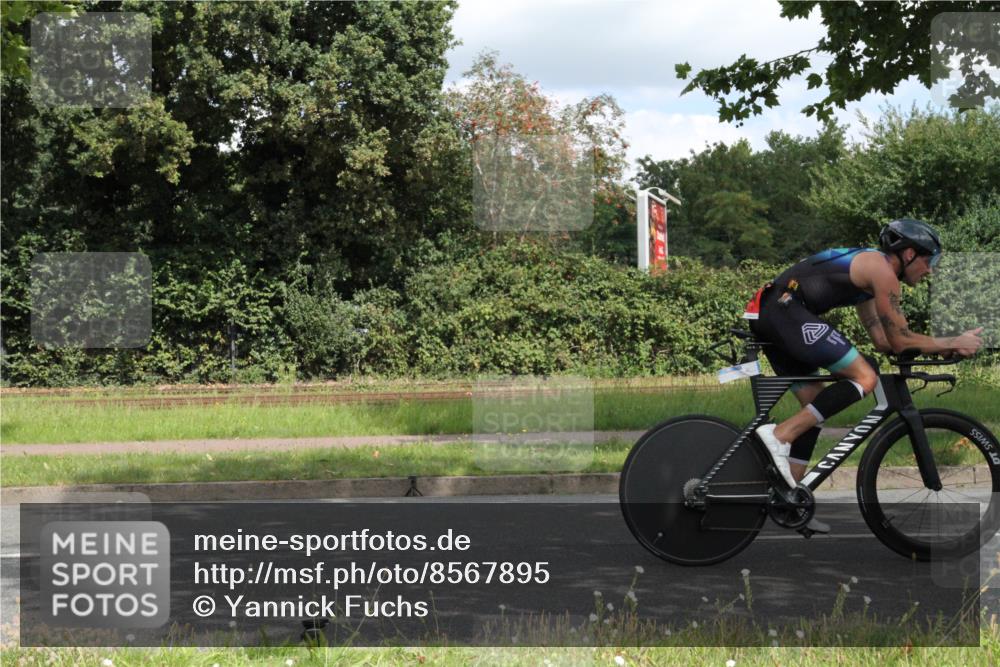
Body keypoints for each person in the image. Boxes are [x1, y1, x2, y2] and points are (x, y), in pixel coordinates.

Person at [744, 218, 983, 532]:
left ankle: (790, 497)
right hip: (784, 311)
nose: (930, 270)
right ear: (909, 253)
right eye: (929, 260)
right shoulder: (883, 273)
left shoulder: (869, 279)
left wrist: (940, 349)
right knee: (865, 377)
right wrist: (951, 341)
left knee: (816, 404)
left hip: (774, 312)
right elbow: (901, 339)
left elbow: (884, 341)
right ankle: (779, 435)